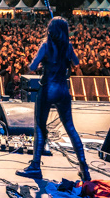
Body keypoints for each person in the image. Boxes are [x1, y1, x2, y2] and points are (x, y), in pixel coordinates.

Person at [17, 17, 90, 182]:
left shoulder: (45, 46)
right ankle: (84, 168)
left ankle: (35, 166)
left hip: (48, 88)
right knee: (71, 128)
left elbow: (33, 67)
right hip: (63, 90)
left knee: (40, 127)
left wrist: (43, 63)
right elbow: (77, 63)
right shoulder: (68, 46)